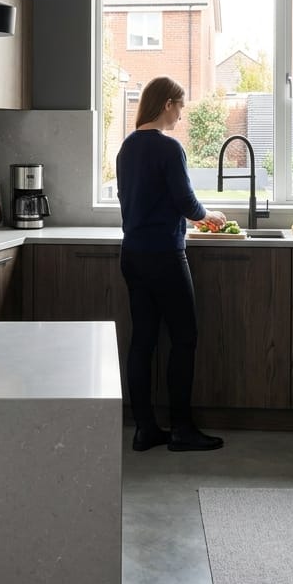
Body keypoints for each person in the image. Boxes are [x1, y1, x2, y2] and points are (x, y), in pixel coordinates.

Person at [116, 76, 226, 453]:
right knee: (185, 338)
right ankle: (182, 430)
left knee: (142, 341)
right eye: (180, 106)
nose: (181, 114)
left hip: (132, 255)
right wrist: (209, 215)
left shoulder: (127, 147)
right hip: (164, 254)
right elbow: (185, 200)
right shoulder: (168, 148)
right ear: (166, 104)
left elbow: (140, 199)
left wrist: (192, 216)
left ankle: (145, 429)